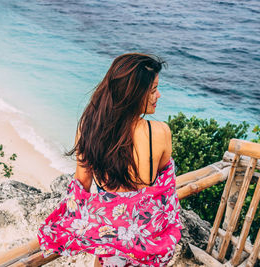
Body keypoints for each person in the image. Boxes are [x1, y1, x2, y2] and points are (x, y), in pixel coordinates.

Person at [38, 53, 182, 267]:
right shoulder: (160, 132)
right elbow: (164, 191)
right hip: (142, 245)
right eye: (152, 90)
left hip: (107, 242)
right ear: (132, 94)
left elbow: (82, 186)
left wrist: (76, 225)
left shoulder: (88, 129)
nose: (158, 95)